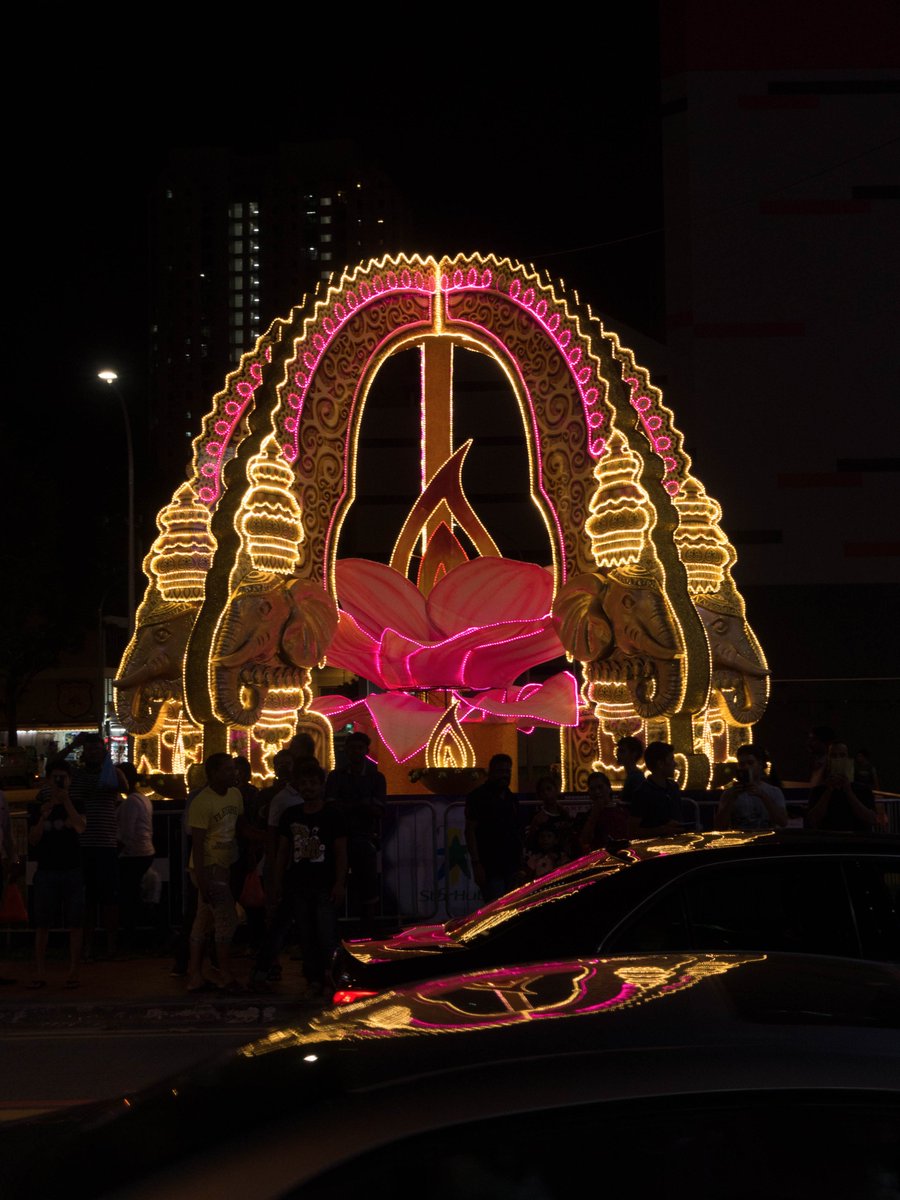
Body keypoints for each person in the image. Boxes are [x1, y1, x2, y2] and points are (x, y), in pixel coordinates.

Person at [272, 758, 347, 1002]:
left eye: (312, 783)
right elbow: (283, 851)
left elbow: (340, 851)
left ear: (321, 785)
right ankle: (313, 980)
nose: (308, 788)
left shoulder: (333, 815)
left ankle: (329, 979)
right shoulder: (290, 815)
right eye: (303, 784)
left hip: (324, 884)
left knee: (326, 935)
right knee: (306, 936)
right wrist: (278, 880)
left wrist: (339, 883)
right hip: (298, 884)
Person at [186, 752, 245, 993]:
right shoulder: (202, 801)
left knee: (203, 921)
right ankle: (224, 974)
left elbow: (239, 828)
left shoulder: (235, 794)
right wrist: (202, 879)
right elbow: (197, 845)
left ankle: (195, 973)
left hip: (223, 865)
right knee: (226, 920)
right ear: (213, 774)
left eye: (234, 769)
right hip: (209, 868)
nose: (234, 773)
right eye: (228, 769)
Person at [27, 759, 87, 988]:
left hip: (72, 869)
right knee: (42, 924)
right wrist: (44, 813)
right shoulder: (39, 807)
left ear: (70, 780)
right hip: (47, 870)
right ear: (48, 780)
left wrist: (66, 802)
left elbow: (81, 827)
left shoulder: (78, 803)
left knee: (75, 923)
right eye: (55, 778)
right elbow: (33, 839)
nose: (59, 782)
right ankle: (40, 971)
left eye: (63, 778)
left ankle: (74, 971)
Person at [324, 731, 386, 934]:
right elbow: (333, 807)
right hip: (345, 837)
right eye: (352, 748)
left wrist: (348, 805)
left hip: (361, 838)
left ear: (366, 751)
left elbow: (377, 810)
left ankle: (365, 931)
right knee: (337, 884)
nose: (355, 752)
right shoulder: (338, 777)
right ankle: (337, 930)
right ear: (346, 750)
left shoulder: (374, 777)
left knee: (365, 885)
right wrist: (363, 804)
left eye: (359, 748)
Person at [70, 732, 122, 961]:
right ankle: (88, 946)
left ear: (102, 752)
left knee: (109, 899)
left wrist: (108, 762)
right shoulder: (76, 775)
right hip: (83, 844)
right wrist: (73, 744)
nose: (92, 753)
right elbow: (53, 767)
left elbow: (125, 784)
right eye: (88, 749)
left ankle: (111, 946)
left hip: (106, 844)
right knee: (88, 900)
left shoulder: (110, 774)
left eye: (96, 749)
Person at [465, 753, 524, 903]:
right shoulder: (478, 797)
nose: (504, 776)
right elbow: (470, 831)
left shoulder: (511, 798)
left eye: (507, 772)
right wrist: (476, 863)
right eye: (500, 771)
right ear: (490, 772)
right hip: (490, 865)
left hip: (511, 864)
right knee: (495, 908)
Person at [116, 762, 155, 953]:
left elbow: (126, 833)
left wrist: (116, 852)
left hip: (134, 854)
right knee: (136, 896)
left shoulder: (131, 802)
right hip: (145, 851)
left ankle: (131, 940)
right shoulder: (142, 799)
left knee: (129, 899)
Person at [805, 742, 878, 833]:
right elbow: (812, 819)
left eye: (842, 755)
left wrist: (848, 791)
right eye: (834, 756)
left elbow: (871, 819)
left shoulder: (862, 789)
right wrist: (829, 790)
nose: (838, 759)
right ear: (828, 760)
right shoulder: (819, 790)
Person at [715, 743, 787, 831]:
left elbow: (783, 822)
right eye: (742, 764)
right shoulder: (730, 793)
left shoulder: (773, 791)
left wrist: (763, 796)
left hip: (766, 840)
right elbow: (719, 826)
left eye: (750, 763)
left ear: (760, 764)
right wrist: (731, 799)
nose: (746, 767)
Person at [629, 742, 684, 837]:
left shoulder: (673, 787)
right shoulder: (643, 793)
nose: (674, 764)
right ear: (660, 764)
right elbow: (631, 831)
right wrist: (662, 830)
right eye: (671, 759)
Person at [525, 775, 574, 878]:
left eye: (549, 789)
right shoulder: (539, 818)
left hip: (565, 858)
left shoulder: (564, 814)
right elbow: (531, 841)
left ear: (556, 790)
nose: (546, 793)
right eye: (542, 791)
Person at [579, 771, 630, 852]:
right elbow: (584, 840)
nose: (597, 792)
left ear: (609, 788)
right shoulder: (585, 816)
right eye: (592, 789)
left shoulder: (623, 809)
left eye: (600, 787)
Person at [615, 736, 646, 808]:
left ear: (633, 754)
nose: (617, 754)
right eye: (618, 750)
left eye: (622, 751)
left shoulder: (636, 778)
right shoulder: (634, 776)